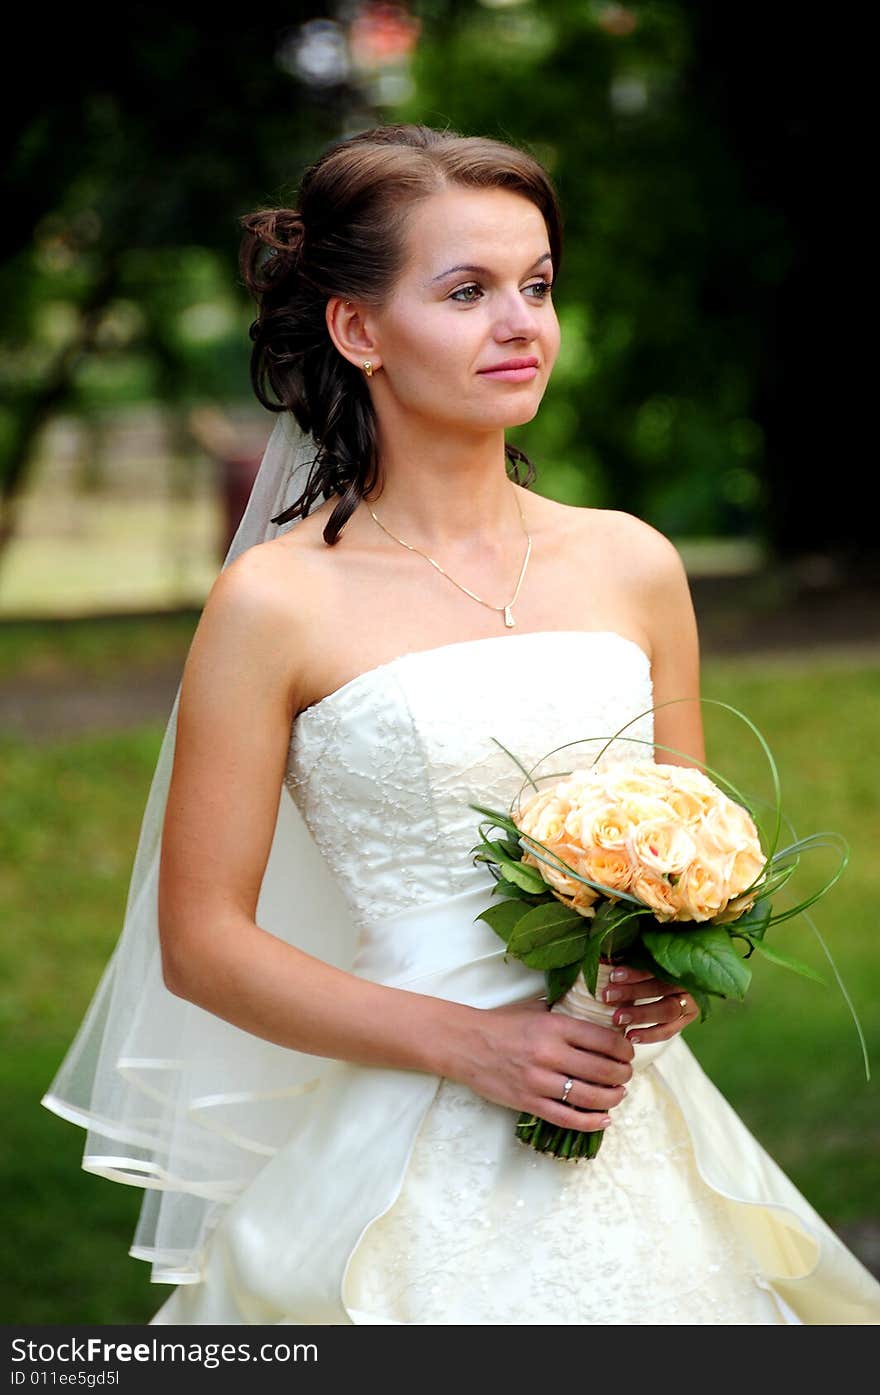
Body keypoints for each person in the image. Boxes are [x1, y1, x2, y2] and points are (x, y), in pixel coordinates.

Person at [43, 122, 880, 1326]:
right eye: (466, 290)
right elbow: (203, 943)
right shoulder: (275, 600)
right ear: (359, 329)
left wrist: (669, 973)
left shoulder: (633, 562)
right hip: (411, 1145)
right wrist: (471, 1046)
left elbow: (699, 855)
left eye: (536, 285)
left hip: (627, 1111)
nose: (520, 322)